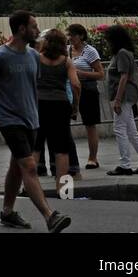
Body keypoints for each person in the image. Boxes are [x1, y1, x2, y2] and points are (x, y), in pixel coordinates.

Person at [0, 11, 71, 232]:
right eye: (34, 27)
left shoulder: (33, 56)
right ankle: (50, 216)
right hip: (10, 120)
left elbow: (31, 86)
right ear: (21, 29)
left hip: (32, 119)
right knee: (29, 166)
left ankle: (8, 212)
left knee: (17, 168)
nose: (38, 31)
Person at [98, 24, 138, 176]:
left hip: (124, 95)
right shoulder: (124, 52)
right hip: (127, 95)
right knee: (130, 130)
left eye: (108, 39)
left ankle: (125, 164)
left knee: (119, 129)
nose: (107, 42)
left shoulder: (122, 53)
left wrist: (117, 99)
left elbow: (124, 76)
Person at [34, 29, 80, 185]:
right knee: (62, 148)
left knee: (36, 144)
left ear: (46, 42)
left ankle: (29, 184)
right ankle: (62, 187)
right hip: (60, 104)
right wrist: (75, 106)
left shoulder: (37, 58)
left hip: (39, 103)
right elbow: (76, 85)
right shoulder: (66, 62)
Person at [67, 24, 104, 168]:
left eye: (73, 35)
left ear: (81, 36)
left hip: (87, 89)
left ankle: (92, 158)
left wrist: (81, 74)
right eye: (69, 35)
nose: (70, 38)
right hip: (70, 90)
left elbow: (100, 74)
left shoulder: (90, 51)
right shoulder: (67, 51)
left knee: (90, 124)